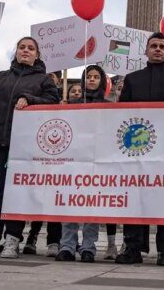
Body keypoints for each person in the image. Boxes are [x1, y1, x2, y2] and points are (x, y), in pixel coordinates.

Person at [0, 37, 60, 258]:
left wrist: (29, 98)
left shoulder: (44, 80)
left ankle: (12, 239)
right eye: (21, 47)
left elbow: (53, 101)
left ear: (37, 55)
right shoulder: (0, 77)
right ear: (16, 52)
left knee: (18, 193)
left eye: (30, 48)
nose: (25, 51)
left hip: (24, 147)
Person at [115, 32, 164, 266]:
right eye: (153, 46)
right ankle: (132, 248)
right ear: (146, 51)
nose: (157, 49)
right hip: (135, 148)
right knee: (134, 197)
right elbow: (120, 113)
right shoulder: (132, 79)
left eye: (162, 46)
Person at [56, 65, 109, 263]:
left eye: (96, 77)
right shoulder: (72, 103)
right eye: (89, 77)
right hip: (74, 160)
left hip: (97, 162)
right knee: (70, 203)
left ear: (102, 81)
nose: (92, 80)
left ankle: (88, 247)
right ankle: (67, 246)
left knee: (92, 206)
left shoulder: (108, 105)